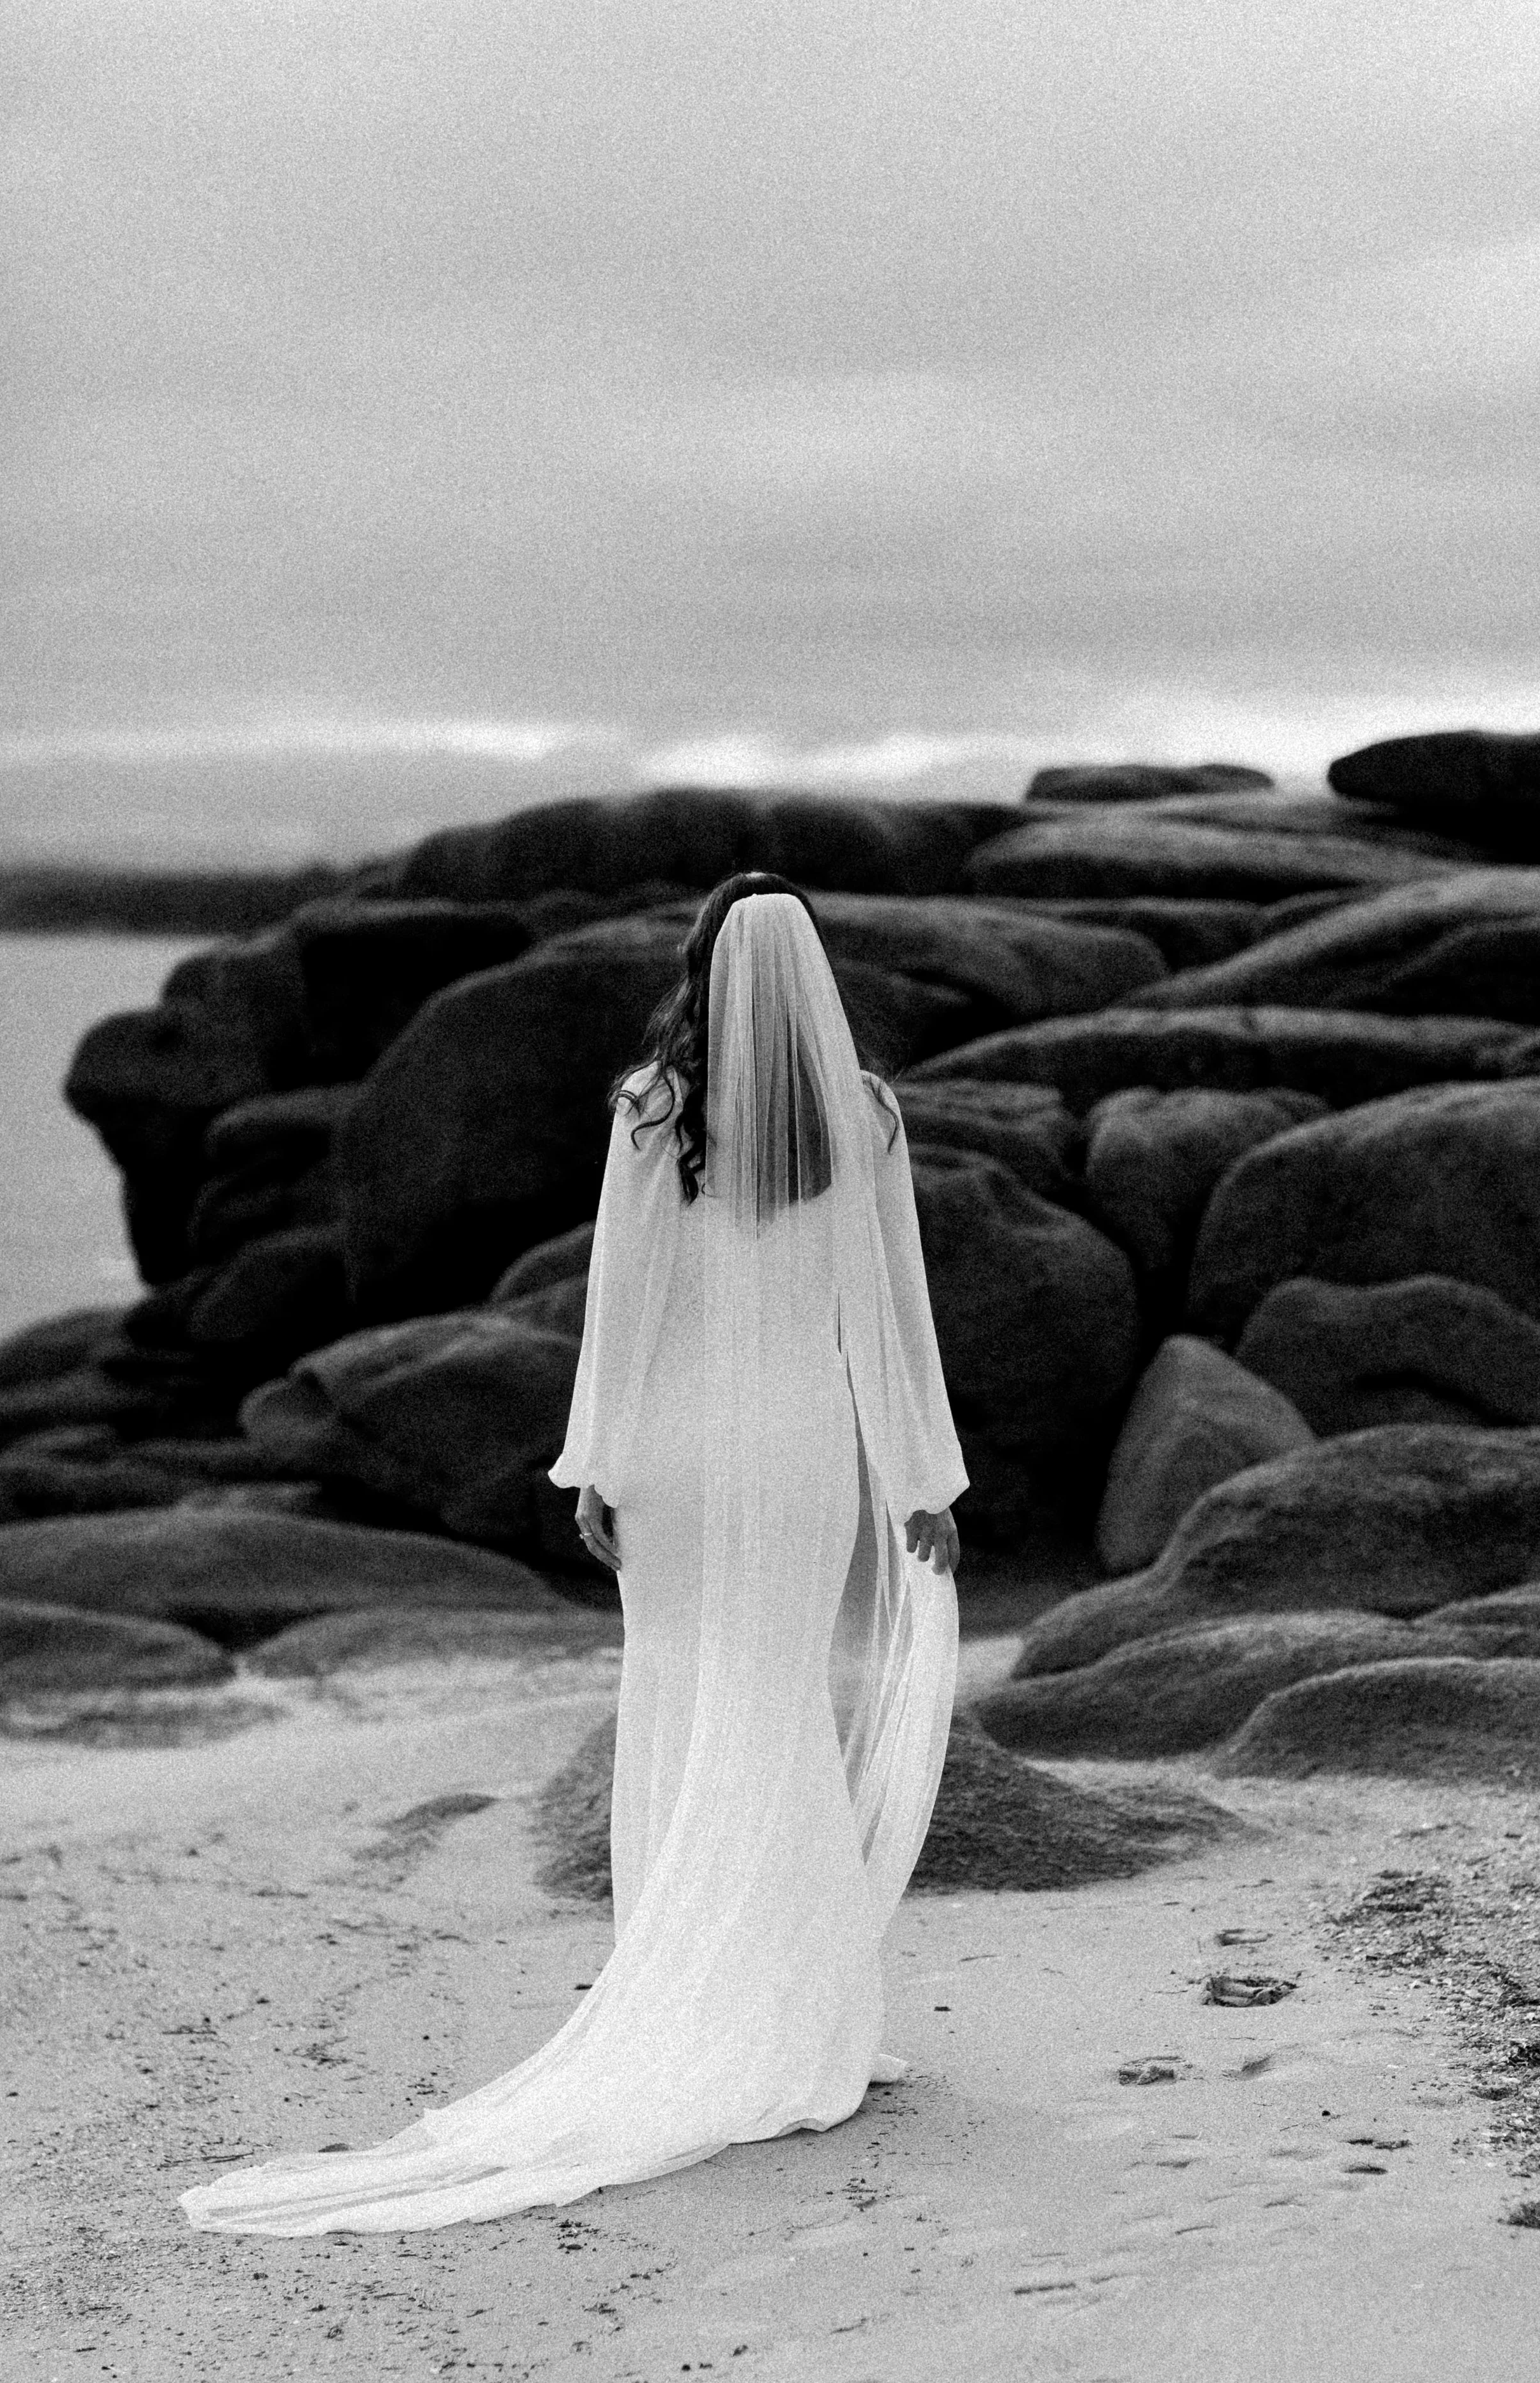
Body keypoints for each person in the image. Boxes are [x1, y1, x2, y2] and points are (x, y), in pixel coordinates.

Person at [179, 872, 967, 2237]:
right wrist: (923, 1479)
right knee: (776, 1709)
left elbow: (622, 1302)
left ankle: (691, 1996)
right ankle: (791, 2019)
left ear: (705, 968)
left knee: (676, 1705)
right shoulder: (870, 1116)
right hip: (797, 1456)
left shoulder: (653, 1110)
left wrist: (591, 1462)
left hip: (674, 1452)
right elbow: (892, 1316)